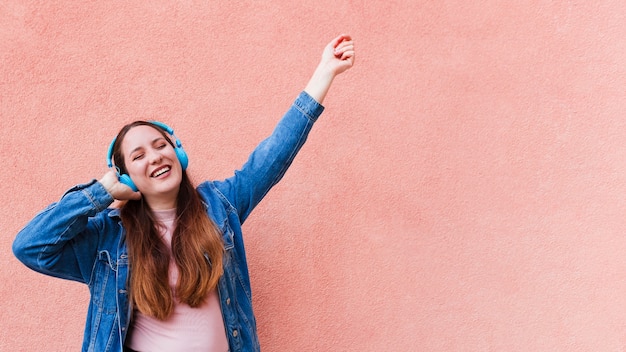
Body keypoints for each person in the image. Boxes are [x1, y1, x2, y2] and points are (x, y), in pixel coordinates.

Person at [12, 34, 355, 352]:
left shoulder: (219, 206)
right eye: (138, 155)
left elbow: (272, 156)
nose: (155, 156)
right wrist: (101, 192)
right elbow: (30, 246)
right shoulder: (108, 237)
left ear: (178, 154)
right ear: (125, 176)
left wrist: (324, 73)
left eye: (161, 145)